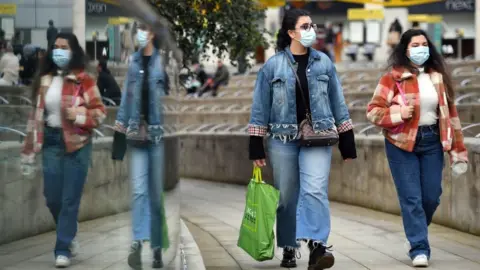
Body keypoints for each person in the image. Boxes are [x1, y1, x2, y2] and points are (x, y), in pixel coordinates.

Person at [248, 8, 357, 269]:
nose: (312, 30)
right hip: (281, 139)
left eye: (312, 25)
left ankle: (317, 247)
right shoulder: (272, 66)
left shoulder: (324, 63)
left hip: (318, 136)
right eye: (306, 26)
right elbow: (260, 107)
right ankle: (288, 245)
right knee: (287, 196)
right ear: (291, 32)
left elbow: (338, 102)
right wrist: (255, 143)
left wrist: (347, 138)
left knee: (315, 190)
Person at [366, 29, 468, 267]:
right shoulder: (392, 78)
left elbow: (451, 117)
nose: (421, 48)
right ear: (405, 49)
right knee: (411, 198)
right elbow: (372, 111)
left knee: (431, 197)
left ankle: (416, 233)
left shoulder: (438, 77)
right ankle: (419, 248)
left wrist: (458, 152)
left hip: (433, 141)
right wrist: (398, 113)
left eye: (424, 44)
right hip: (401, 144)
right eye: (415, 44)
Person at [20, 32, 106, 268]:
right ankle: (69, 230)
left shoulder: (84, 79)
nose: (58, 51)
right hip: (51, 141)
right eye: (55, 46)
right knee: (52, 197)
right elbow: (35, 116)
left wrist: (78, 115)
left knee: (70, 199)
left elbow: (99, 113)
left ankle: (62, 248)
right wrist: (28, 149)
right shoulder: (44, 79)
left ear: (73, 51)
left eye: (64, 47)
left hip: (78, 144)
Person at [112, 22, 166, 270]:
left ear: (153, 33)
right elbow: (126, 100)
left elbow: (169, 101)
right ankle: (137, 243)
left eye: (144, 30)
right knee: (138, 192)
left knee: (155, 196)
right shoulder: (133, 62)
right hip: (136, 135)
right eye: (138, 31)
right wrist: (119, 134)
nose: (140, 35)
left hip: (157, 137)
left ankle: (156, 247)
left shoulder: (162, 63)